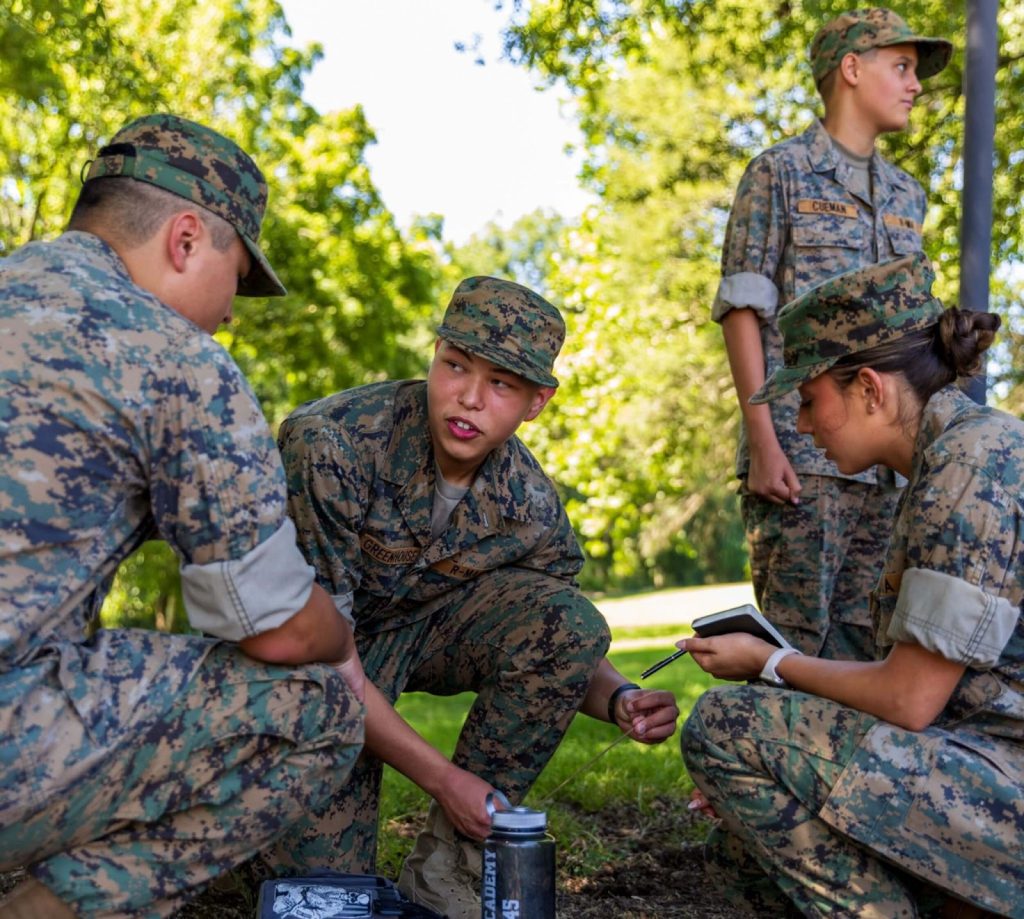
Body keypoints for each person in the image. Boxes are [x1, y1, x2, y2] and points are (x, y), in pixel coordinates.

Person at [0, 114, 366, 918]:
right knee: (320, 709)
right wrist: (338, 636)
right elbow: (276, 629)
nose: (232, 312)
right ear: (187, 239)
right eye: (237, 276)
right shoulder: (173, 357)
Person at [275, 275, 680, 917]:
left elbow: (559, 645)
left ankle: (450, 870)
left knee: (572, 621)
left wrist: (622, 698)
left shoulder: (531, 504)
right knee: (319, 898)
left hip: (421, 639)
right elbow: (316, 646)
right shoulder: (332, 445)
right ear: (434, 357)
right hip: (308, 659)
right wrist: (443, 777)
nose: (467, 398)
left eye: (501, 384)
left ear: (536, 402)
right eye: (455, 366)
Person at [681, 252, 1023, 917]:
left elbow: (909, 698)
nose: (802, 427)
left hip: (1006, 783)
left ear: (870, 387)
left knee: (723, 725)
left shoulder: (970, 469)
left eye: (810, 400)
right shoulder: (957, 456)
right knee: (747, 847)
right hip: (994, 768)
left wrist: (773, 663)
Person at [712, 8, 952, 659]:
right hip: (802, 454)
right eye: (901, 66)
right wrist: (764, 441)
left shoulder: (908, 195)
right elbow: (742, 310)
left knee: (874, 640)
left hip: (889, 463)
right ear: (851, 68)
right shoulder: (779, 174)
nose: (915, 85)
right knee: (795, 643)